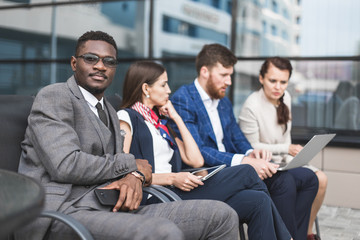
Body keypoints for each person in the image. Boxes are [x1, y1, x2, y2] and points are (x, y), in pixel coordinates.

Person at [15, 31, 241, 240]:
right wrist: (132, 164)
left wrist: (135, 176)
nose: (101, 66)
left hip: (113, 205)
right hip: (64, 210)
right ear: (74, 63)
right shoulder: (55, 97)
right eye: (91, 58)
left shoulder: (110, 111)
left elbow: (128, 170)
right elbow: (66, 164)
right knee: (162, 232)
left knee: (222, 215)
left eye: (109, 61)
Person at [117, 61, 292, 240]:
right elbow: (122, 172)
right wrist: (172, 178)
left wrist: (176, 118)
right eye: (163, 84)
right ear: (146, 88)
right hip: (157, 196)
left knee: (257, 201)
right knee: (247, 171)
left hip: (177, 189)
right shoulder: (127, 117)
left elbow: (196, 160)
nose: (169, 90)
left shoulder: (161, 123)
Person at [170, 43, 319, 240]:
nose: (229, 81)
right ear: (205, 71)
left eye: (230, 75)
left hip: (234, 167)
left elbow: (236, 136)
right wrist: (243, 160)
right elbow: (199, 150)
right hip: (211, 173)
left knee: (309, 178)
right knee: (283, 181)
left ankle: (296, 236)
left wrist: (250, 152)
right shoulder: (184, 99)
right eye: (224, 75)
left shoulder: (222, 100)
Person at [239, 57, 328, 240]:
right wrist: (286, 148)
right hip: (264, 166)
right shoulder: (251, 106)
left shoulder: (285, 97)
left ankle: (302, 234)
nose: (278, 87)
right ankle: (293, 234)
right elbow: (250, 147)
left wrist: (295, 160)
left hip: (284, 163)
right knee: (295, 181)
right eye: (273, 81)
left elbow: (285, 135)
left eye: (283, 82)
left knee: (317, 178)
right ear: (261, 78)